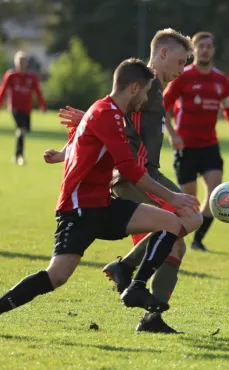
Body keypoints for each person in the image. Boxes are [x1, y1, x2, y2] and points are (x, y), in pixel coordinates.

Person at [0, 58, 199, 320]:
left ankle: (136, 286)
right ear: (134, 88)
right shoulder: (107, 113)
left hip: (102, 205)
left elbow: (85, 144)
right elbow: (129, 169)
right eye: (147, 91)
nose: (147, 96)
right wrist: (172, 195)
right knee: (57, 276)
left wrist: (63, 154)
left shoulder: (106, 111)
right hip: (79, 209)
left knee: (171, 223)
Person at [56, 29, 200, 334]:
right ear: (162, 54)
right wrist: (84, 123)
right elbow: (108, 111)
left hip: (145, 172)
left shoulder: (156, 88)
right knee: (189, 216)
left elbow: (110, 119)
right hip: (135, 175)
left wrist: (71, 141)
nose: (181, 69)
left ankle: (152, 317)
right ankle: (126, 269)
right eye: (179, 61)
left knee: (176, 245)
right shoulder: (145, 82)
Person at [163, 31, 229, 252]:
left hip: (209, 145)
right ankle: (172, 237)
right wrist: (173, 134)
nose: (205, 50)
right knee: (190, 200)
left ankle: (198, 240)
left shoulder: (221, 80)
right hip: (185, 147)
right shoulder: (183, 76)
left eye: (209, 46)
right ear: (194, 50)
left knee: (215, 191)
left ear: (214, 50)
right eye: (201, 46)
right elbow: (163, 107)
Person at [0, 50, 46, 166]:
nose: (21, 65)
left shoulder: (31, 77)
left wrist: (42, 105)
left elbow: (38, 92)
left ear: (26, 63)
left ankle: (16, 156)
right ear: (15, 63)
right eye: (19, 62)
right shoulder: (10, 76)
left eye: (23, 62)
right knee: (21, 129)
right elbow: (3, 90)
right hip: (15, 108)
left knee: (23, 131)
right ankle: (20, 156)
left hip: (27, 109)